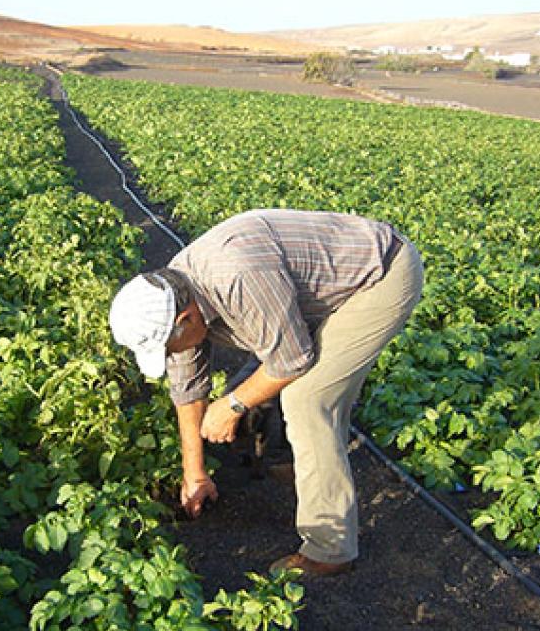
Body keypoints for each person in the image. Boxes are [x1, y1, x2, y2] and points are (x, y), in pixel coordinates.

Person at [109, 209, 423, 577]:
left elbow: (292, 360)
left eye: (167, 347)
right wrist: (194, 474)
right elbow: (188, 388)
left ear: (186, 319)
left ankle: (330, 550)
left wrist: (232, 405)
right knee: (255, 386)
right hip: (320, 288)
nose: (170, 355)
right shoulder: (174, 295)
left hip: (379, 276)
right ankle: (292, 461)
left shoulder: (237, 277)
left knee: (307, 398)